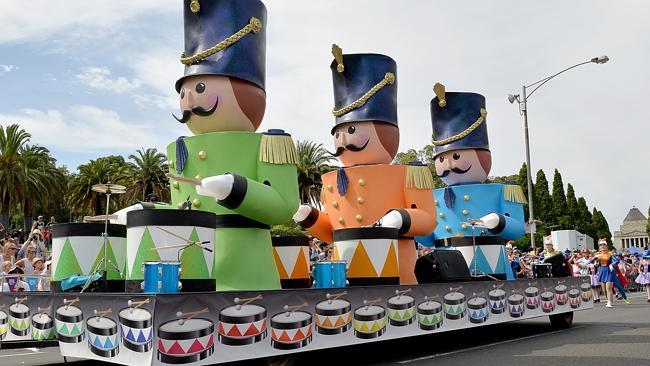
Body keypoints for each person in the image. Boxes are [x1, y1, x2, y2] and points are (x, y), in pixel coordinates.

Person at [593, 239, 621, 308]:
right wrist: (595, 263)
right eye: (601, 245)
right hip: (602, 271)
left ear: (606, 246)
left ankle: (609, 302)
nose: (602, 246)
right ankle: (608, 299)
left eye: (604, 245)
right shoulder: (597, 255)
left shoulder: (610, 254)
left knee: (608, 288)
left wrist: (612, 264)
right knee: (604, 289)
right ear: (599, 247)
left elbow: (617, 261)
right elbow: (592, 262)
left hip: (609, 271)